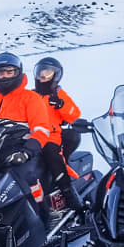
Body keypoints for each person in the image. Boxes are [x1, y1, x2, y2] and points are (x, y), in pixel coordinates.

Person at [0, 52, 51, 216]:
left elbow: (41, 129)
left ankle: (41, 216)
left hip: (22, 151)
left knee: (26, 178)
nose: (3, 77)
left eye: (8, 72)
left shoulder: (30, 98)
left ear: (18, 73)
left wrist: (27, 151)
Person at [31, 57, 84, 211]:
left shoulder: (59, 94)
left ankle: (67, 192)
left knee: (51, 154)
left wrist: (61, 105)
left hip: (51, 136)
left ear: (55, 75)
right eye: (41, 71)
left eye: (47, 72)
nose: (43, 75)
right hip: (30, 136)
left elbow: (74, 114)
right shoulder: (30, 95)